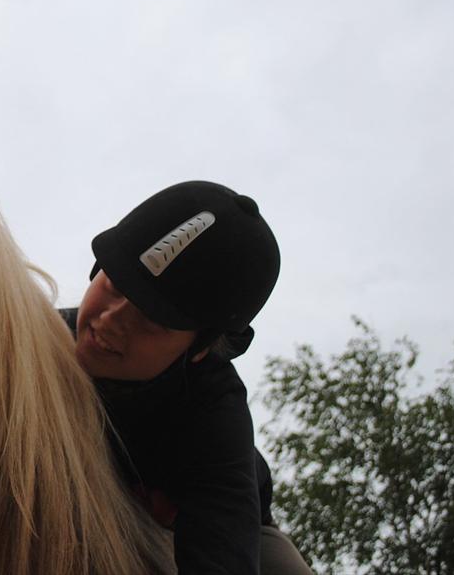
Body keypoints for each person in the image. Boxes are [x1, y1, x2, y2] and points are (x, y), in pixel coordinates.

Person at [62, 180, 313, 574]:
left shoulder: (214, 413)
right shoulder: (41, 337)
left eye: (151, 320)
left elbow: (224, 559)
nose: (110, 321)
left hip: (210, 522)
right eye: (112, 285)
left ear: (199, 350)